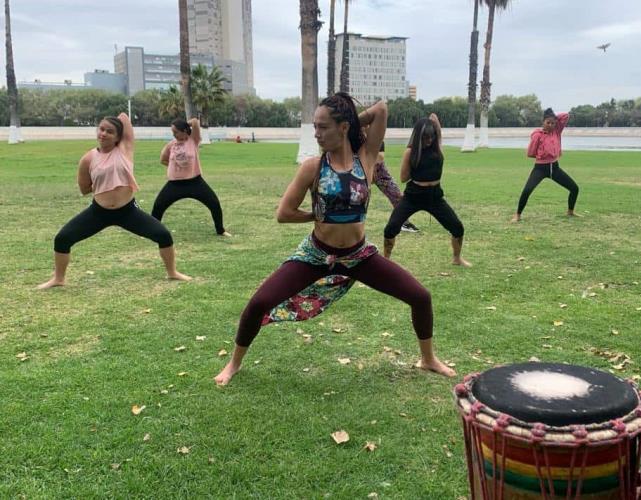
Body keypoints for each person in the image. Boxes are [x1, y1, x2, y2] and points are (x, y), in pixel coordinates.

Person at [214, 93, 456, 385]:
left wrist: (352, 121)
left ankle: (428, 358)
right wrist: (319, 214)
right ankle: (234, 364)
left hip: (358, 256)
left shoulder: (366, 159)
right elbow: (284, 213)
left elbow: (381, 109)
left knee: (421, 296)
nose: (317, 134)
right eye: (315, 127)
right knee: (258, 303)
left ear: (343, 127)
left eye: (324, 127)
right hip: (317, 255)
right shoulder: (312, 167)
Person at [38, 113, 191, 289]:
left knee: (163, 235)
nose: (103, 133)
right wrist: (104, 184)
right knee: (63, 238)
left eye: (109, 131)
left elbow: (124, 117)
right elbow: (84, 188)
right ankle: (58, 278)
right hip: (99, 212)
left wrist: (114, 121)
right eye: (101, 129)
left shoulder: (125, 149)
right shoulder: (88, 158)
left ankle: (172, 273)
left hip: (127, 211)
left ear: (118, 137)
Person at [382, 114, 471, 267]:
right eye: (425, 138)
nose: (429, 141)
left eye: (431, 137)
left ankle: (457, 258)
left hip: (435, 196)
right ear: (418, 137)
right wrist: (417, 167)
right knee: (391, 228)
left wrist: (434, 124)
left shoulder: (437, 148)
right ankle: (386, 261)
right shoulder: (410, 152)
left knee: (457, 227)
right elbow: (403, 178)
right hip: (413, 196)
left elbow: (436, 124)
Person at [152, 118, 231, 236]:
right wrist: (174, 167)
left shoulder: (193, 140)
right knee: (158, 206)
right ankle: (153, 231)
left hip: (195, 182)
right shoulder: (171, 145)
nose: (174, 135)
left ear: (184, 130)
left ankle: (221, 230)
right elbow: (163, 160)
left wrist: (185, 124)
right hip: (175, 184)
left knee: (214, 203)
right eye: (172, 132)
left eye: (176, 132)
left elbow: (195, 121)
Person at [511, 108, 579, 222]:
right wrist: (542, 155)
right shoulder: (537, 135)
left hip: (555, 167)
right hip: (540, 169)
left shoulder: (556, 131)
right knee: (527, 190)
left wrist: (554, 117)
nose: (550, 125)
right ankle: (517, 215)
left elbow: (565, 116)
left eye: (553, 123)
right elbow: (530, 153)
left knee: (574, 188)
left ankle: (570, 212)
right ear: (543, 122)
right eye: (548, 122)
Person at [372, 141, 420, 233]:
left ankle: (404, 223)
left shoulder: (378, 139)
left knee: (397, 195)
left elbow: (380, 157)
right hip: (360, 170)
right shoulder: (356, 137)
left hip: (380, 172)